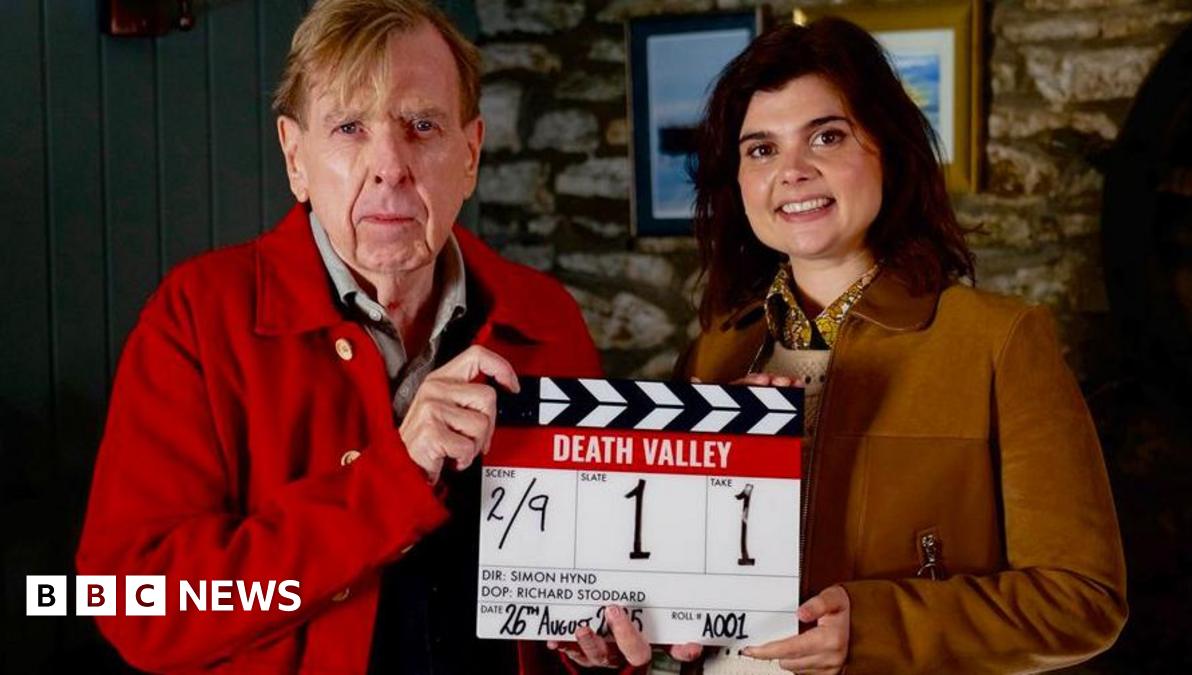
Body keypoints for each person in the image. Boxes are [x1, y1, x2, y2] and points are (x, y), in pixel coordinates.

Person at [75, 1, 602, 673]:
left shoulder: (547, 316)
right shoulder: (199, 319)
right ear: (296, 156)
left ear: (470, 153)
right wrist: (393, 478)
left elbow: (591, 595)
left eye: (421, 126)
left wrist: (602, 649)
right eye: (349, 127)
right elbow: (132, 603)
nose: (390, 166)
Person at [594, 18, 1128, 675]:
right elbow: (677, 596)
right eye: (761, 149)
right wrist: (623, 629)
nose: (793, 171)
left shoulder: (1000, 342)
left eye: (826, 136)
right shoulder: (711, 357)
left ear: (889, 149)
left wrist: (877, 625)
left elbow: (1082, 600)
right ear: (737, 180)